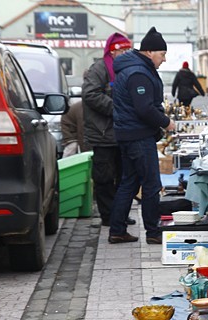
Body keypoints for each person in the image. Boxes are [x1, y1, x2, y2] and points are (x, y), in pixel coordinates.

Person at [108, 27, 176, 244]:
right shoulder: (138, 72)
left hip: (128, 133)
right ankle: (153, 232)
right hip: (138, 136)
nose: (164, 60)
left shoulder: (134, 68)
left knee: (129, 182)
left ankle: (117, 230)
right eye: (162, 54)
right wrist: (166, 123)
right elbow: (144, 108)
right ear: (149, 52)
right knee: (151, 184)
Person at [82, 32, 136, 226]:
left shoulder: (127, 69)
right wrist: (117, 109)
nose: (127, 53)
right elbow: (90, 94)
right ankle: (108, 216)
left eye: (129, 49)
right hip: (103, 133)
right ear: (113, 52)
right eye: (124, 50)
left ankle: (120, 214)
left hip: (123, 133)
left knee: (124, 177)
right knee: (104, 177)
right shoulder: (99, 69)